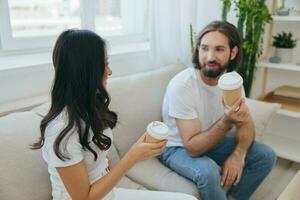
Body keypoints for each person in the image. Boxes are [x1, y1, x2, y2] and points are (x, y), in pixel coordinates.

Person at [32, 29, 197, 200]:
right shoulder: (61, 129)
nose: (109, 71)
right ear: (86, 71)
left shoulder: (88, 106)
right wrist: (131, 157)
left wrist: (136, 150)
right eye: (104, 64)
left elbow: (99, 158)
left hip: (106, 193)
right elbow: (84, 197)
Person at [159, 21, 276, 200]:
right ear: (198, 49)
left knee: (265, 156)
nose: (210, 56)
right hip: (177, 148)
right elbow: (192, 147)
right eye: (205, 48)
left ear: (233, 52)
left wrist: (238, 154)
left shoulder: (231, 83)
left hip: (212, 141)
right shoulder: (182, 86)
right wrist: (227, 121)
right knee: (208, 172)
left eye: (219, 49)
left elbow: (246, 126)